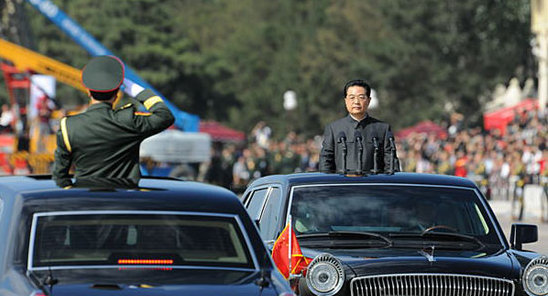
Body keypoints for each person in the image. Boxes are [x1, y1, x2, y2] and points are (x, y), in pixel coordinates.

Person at [53, 55, 175, 187]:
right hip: (125, 202)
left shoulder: (69, 126)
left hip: (86, 203)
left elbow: (60, 177)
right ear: (117, 94)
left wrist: (76, 196)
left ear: (88, 92)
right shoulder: (128, 121)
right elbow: (165, 116)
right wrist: (131, 86)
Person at [319, 79, 398, 174]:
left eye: (361, 97)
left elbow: (391, 164)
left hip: (373, 185)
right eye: (352, 97)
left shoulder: (382, 129)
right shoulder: (334, 128)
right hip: (343, 185)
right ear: (345, 101)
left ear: (369, 100)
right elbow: (326, 161)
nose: (356, 102)